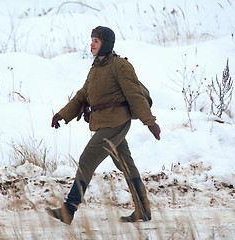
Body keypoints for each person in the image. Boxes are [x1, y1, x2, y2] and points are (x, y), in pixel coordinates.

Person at [47, 26, 161, 225]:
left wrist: (150, 122)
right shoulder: (96, 68)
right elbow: (82, 95)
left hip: (117, 122)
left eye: (96, 41)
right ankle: (143, 209)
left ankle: (69, 209)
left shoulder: (120, 66)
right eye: (91, 40)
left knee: (87, 159)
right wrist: (62, 114)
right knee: (125, 164)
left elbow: (134, 96)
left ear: (106, 44)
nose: (92, 44)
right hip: (104, 123)